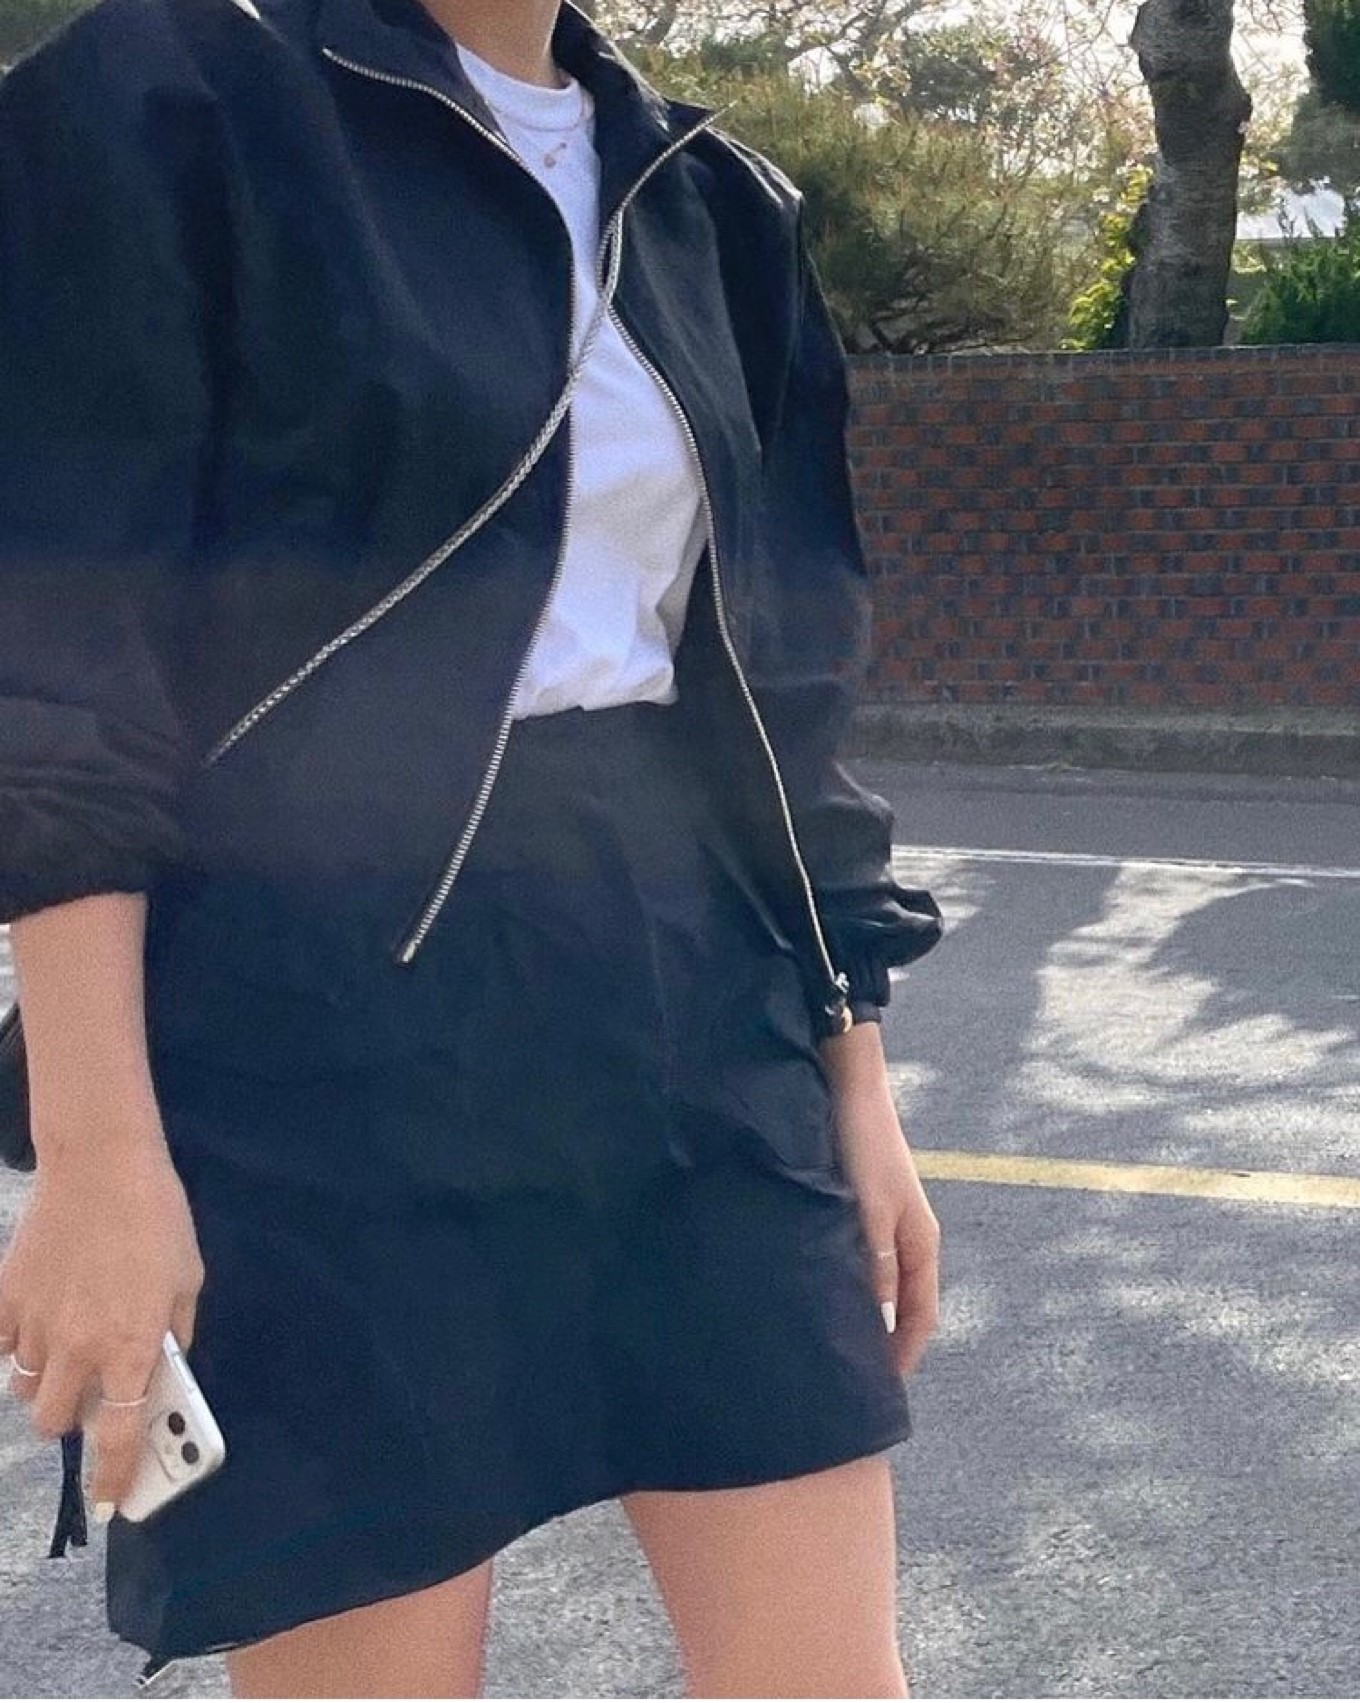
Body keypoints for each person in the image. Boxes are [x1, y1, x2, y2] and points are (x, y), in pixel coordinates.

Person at [0, 0, 946, 1692]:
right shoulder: (170, 100)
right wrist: (97, 1157)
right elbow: (64, 670)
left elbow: (788, 685)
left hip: (695, 997)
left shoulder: (710, 199)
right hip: (313, 1023)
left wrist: (852, 1079)